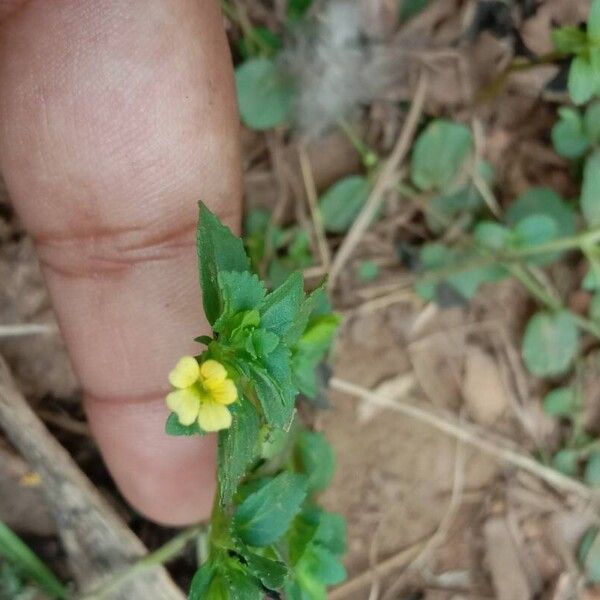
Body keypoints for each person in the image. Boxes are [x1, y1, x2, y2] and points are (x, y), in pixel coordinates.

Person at [0, 0, 238, 525]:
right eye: (204, 387)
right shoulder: (198, 379)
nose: (200, 387)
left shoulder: (198, 382)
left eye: (202, 388)